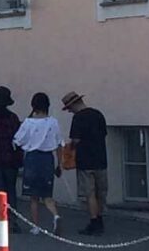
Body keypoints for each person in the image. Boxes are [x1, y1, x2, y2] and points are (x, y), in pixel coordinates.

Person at [13, 90, 64, 232]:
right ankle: (55, 215)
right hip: (47, 159)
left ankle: (35, 226)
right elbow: (59, 144)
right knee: (47, 195)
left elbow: (17, 140)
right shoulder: (53, 122)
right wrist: (59, 164)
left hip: (32, 158)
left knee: (33, 197)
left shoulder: (28, 123)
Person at [64, 89, 111, 234]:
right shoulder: (98, 114)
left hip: (85, 161)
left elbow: (76, 140)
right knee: (101, 192)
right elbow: (104, 134)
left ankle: (94, 221)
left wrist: (70, 149)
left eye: (69, 108)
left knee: (89, 193)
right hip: (101, 159)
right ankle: (100, 219)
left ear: (73, 105)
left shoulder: (78, 118)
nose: (70, 111)